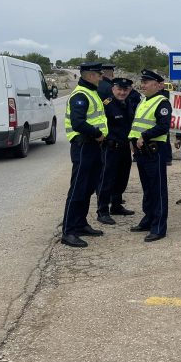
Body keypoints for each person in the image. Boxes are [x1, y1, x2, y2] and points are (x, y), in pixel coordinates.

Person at [61, 63, 108, 248]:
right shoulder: (80, 95)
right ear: (89, 76)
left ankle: (81, 224)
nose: (101, 77)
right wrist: (97, 134)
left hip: (94, 147)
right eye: (98, 75)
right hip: (84, 146)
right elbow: (78, 123)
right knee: (78, 189)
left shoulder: (92, 92)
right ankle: (69, 231)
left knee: (88, 188)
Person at [129, 70, 172, 242]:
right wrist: (132, 141)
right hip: (141, 151)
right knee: (147, 188)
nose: (143, 85)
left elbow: (163, 126)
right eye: (143, 82)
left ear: (158, 84)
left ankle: (159, 227)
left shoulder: (162, 103)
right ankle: (148, 219)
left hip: (155, 151)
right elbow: (136, 125)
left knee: (158, 189)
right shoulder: (144, 101)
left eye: (147, 82)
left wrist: (144, 136)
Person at [96, 77, 137, 225]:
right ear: (113, 89)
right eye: (119, 89)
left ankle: (116, 205)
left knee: (122, 178)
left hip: (125, 147)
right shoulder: (107, 104)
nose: (122, 92)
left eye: (125, 90)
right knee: (107, 180)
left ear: (129, 90)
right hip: (110, 148)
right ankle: (102, 211)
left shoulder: (129, 104)